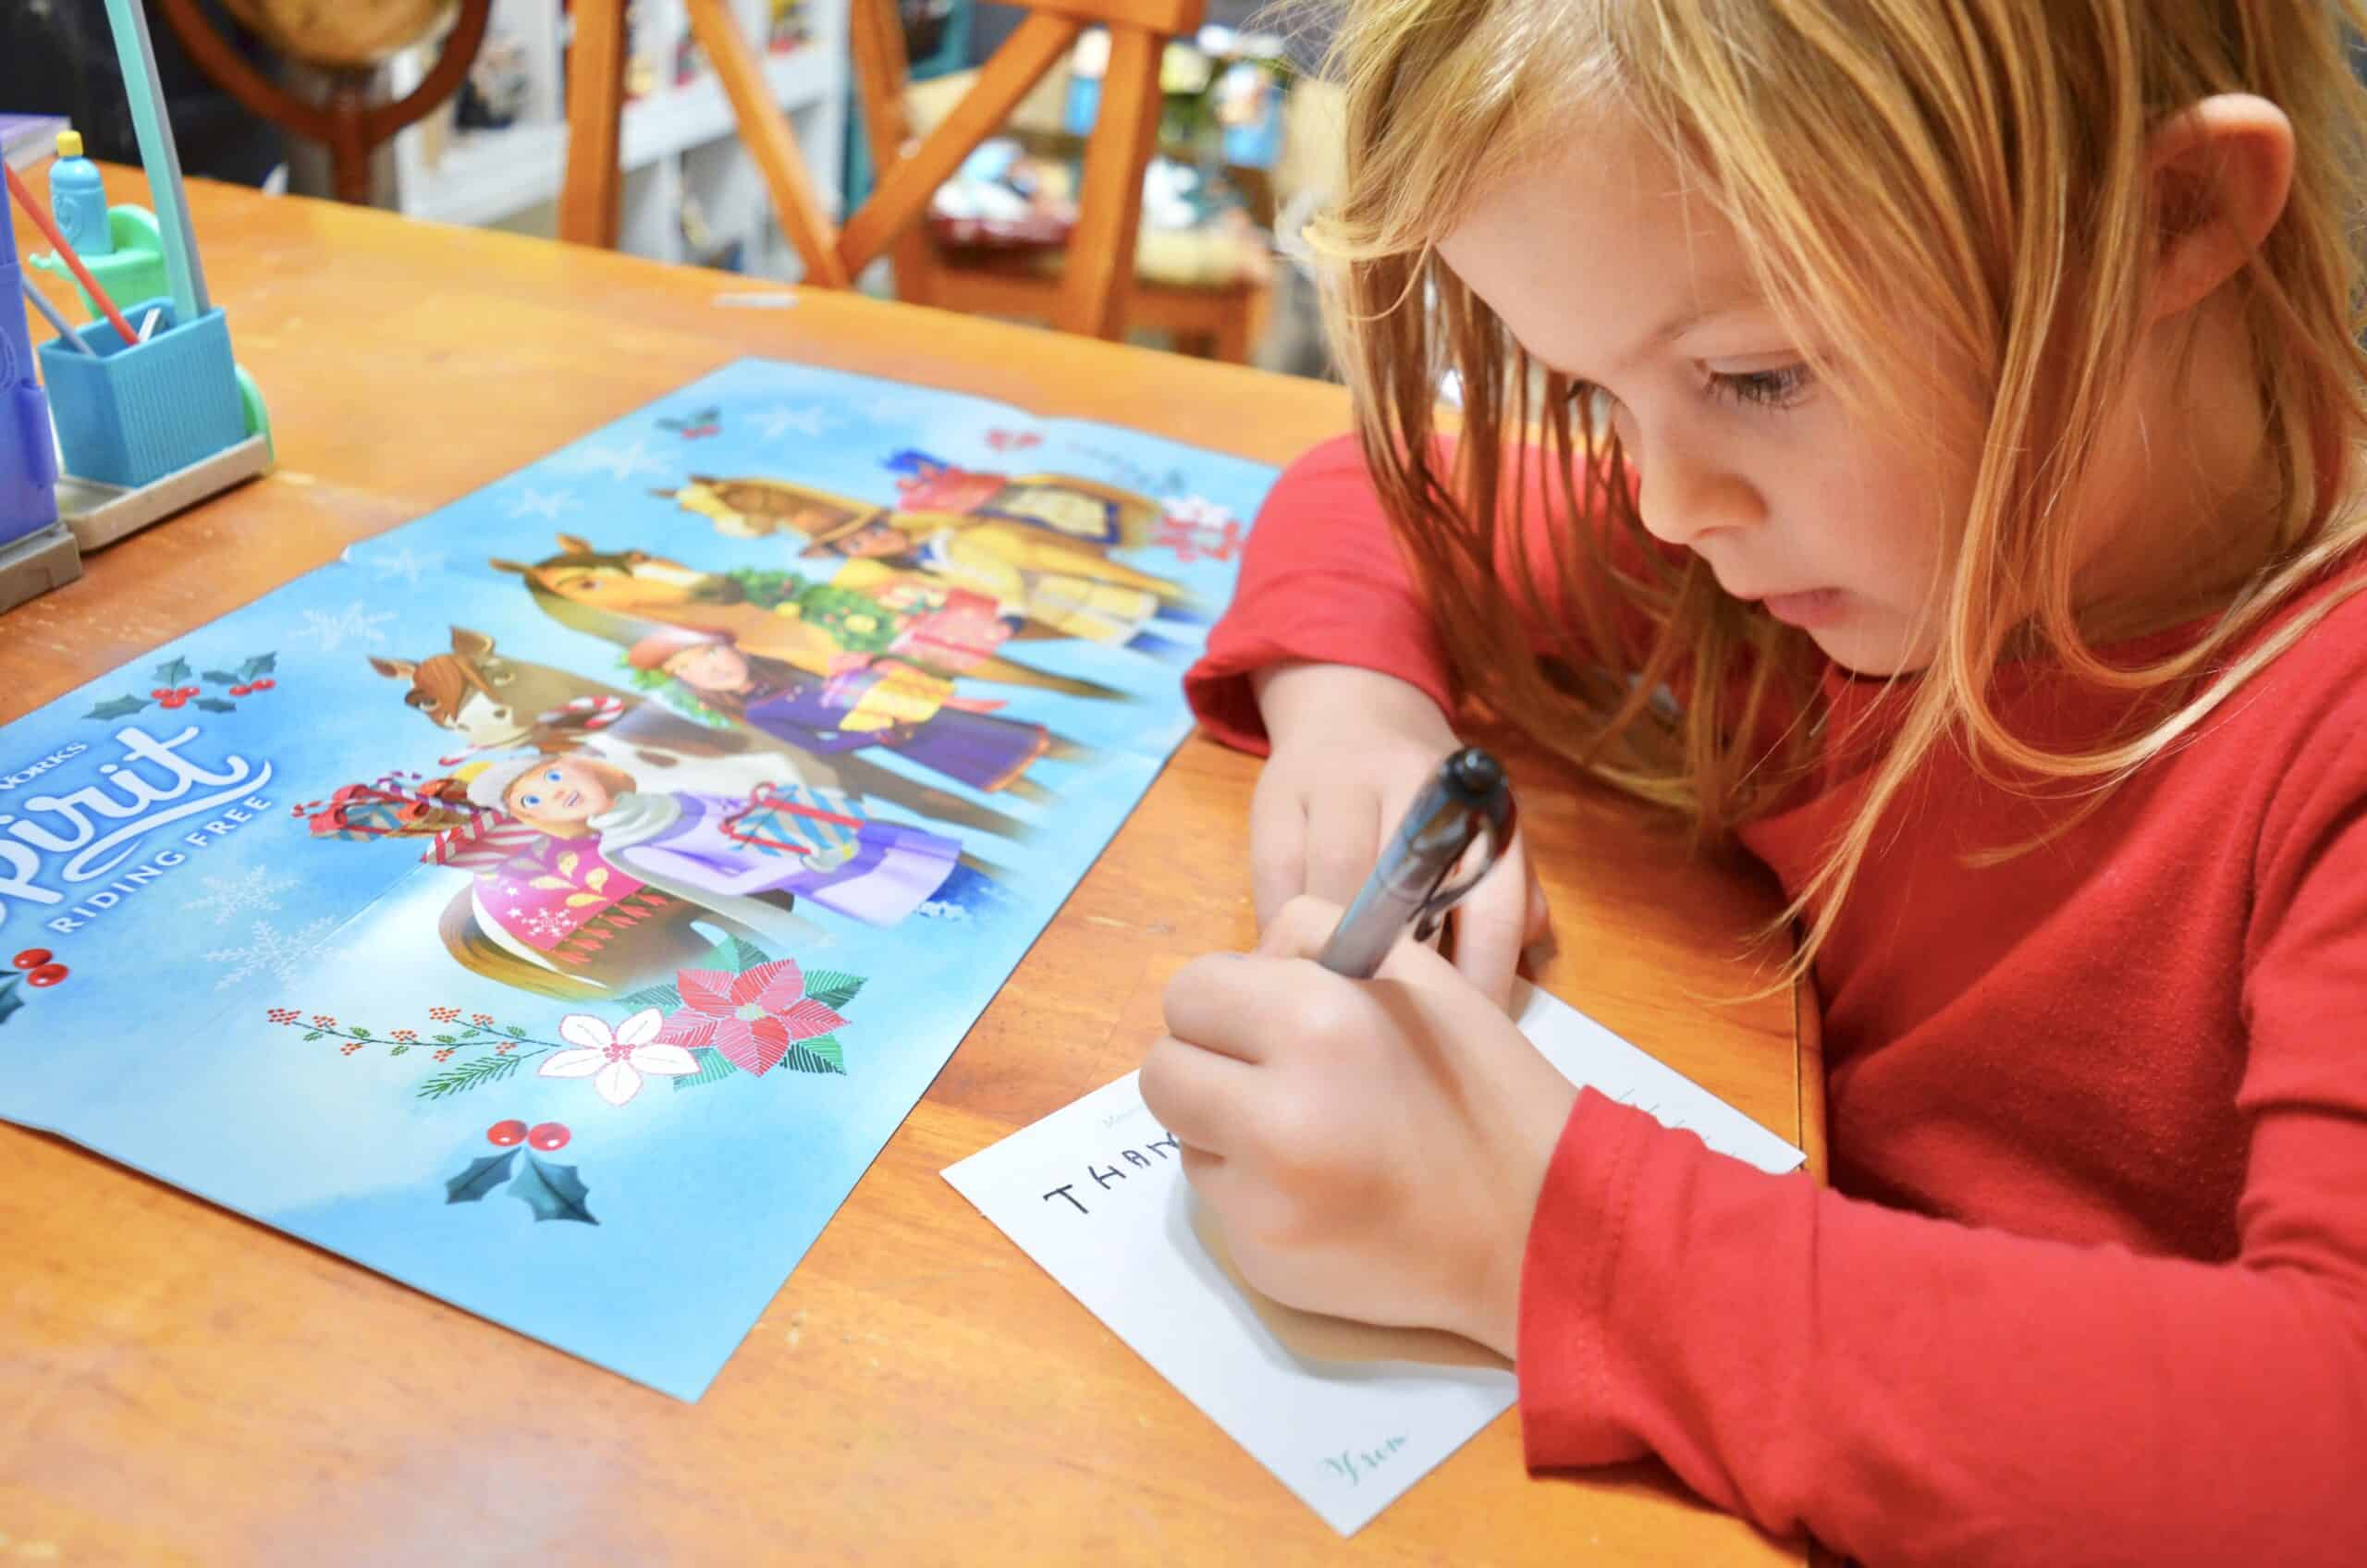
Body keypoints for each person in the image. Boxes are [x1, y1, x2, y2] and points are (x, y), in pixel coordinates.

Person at [1139, 3, 2367, 1563]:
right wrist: (1358, 726)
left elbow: (2333, 1450)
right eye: (1589, 391)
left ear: (2165, 223)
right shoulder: (1802, 559)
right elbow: (1381, 491)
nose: (1662, 505)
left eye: (1758, 376)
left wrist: (1537, 1227)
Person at [477, 753, 961, 930]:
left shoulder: (672, 795)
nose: (557, 791)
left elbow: (743, 808)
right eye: (533, 801)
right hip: (841, 878)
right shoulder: (631, 846)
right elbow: (727, 886)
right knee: (955, 910)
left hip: (850, 841)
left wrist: (803, 810)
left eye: (553, 774)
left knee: (960, 874)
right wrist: (804, 864)